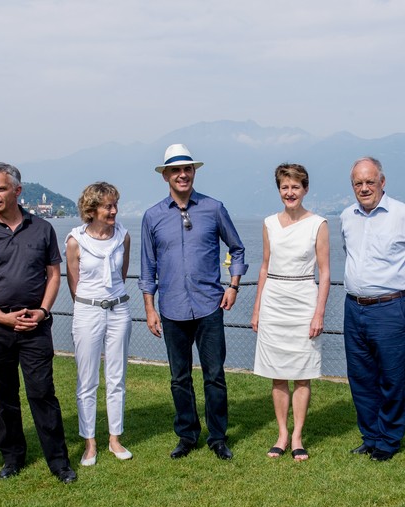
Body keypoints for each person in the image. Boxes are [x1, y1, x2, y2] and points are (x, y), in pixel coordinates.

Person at [0, 162, 76, 484]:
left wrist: (42, 311)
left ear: (17, 190)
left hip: (34, 323)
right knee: (4, 394)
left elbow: (53, 275)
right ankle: (12, 457)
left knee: (42, 392)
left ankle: (59, 461)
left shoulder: (42, 229)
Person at [140, 144, 247, 461]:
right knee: (179, 378)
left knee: (214, 375)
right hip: (171, 310)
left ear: (194, 172)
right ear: (166, 176)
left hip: (209, 306)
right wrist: (149, 308)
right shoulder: (152, 217)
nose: (182, 174)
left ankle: (217, 437)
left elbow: (237, 249)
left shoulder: (214, 209)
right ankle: (187, 436)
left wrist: (234, 286)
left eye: (186, 169)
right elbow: (148, 267)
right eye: (175, 170)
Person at [341, 157, 405, 461]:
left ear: (382, 182)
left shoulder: (404, 215)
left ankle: (389, 440)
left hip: (390, 307)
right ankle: (370, 436)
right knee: (360, 378)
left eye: (370, 181)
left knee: (390, 377)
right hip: (353, 306)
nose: (364, 188)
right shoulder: (347, 217)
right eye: (358, 183)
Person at [251, 163, 330, 461]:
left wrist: (319, 313)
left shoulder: (318, 224)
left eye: (295, 186)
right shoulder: (269, 223)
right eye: (285, 187)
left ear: (305, 189)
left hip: (303, 300)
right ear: (279, 190)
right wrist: (257, 307)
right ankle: (282, 433)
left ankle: (298, 435)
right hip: (274, 300)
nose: (290, 192)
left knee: (302, 373)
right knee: (277, 374)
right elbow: (264, 265)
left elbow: (324, 271)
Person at [65, 182, 133, 466]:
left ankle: (115, 438)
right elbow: (74, 283)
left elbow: (122, 274)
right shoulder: (75, 241)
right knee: (87, 379)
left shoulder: (124, 237)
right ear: (91, 210)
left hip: (119, 310)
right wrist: (89, 306)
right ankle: (89, 442)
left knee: (117, 377)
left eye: (115, 204)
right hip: (87, 312)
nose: (114, 211)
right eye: (108, 206)